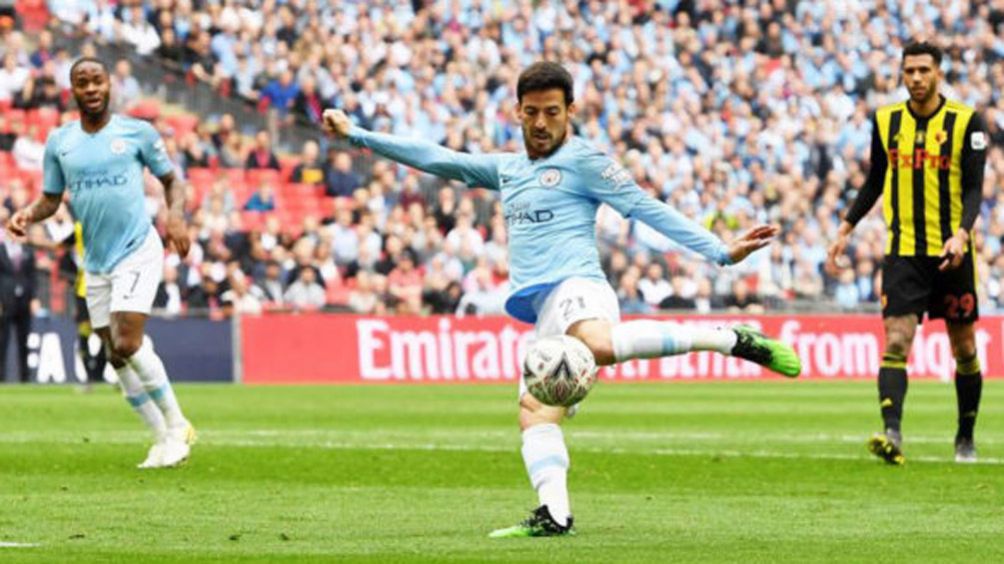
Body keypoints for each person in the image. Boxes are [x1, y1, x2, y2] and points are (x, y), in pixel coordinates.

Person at [323, 61, 801, 538]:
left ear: (570, 111)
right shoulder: (508, 169)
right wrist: (357, 134)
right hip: (544, 311)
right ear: (517, 111)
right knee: (534, 411)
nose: (540, 122)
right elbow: (436, 157)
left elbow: (645, 207)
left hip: (579, 287)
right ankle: (554, 514)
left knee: (597, 343)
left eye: (552, 112)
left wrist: (719, 251)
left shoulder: (586, 162)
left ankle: (728, 339)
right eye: (532, 112)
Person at [5, 57, 196, 469]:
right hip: (95, 261)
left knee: (127, 343)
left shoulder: (136, 132)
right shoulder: (61, 142)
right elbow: (51, 199)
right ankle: (160, 438)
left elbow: (172, 181)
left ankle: (179, 425)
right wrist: (27, 214)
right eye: (82, 82)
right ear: (72, 90)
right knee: (115, 355)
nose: (91, 88)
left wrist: (176, 217)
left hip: (137, 249)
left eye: (97, 81)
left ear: (109, 85)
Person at [827, 41, 988, 465]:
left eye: (923, 70)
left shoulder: (966, 122)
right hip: (903, 252)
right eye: (909, 71)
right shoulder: (886, 121)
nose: (915, 78)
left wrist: (961, 234)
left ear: (938, 73)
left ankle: (965, 436)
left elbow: (974, 189)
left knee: (964, 348)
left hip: (951, 252)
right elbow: (875, 180)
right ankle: (892, 433)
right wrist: (845, 228)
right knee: (897, 340)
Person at [0, 211, 35, 383]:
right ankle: (1, 377)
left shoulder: (27, 250)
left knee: (24, 340)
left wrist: (34, 298)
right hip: (5, 300)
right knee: (2, 340)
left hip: (24, 300)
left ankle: (25, 378)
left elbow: (32, 275)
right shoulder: (1, 250)